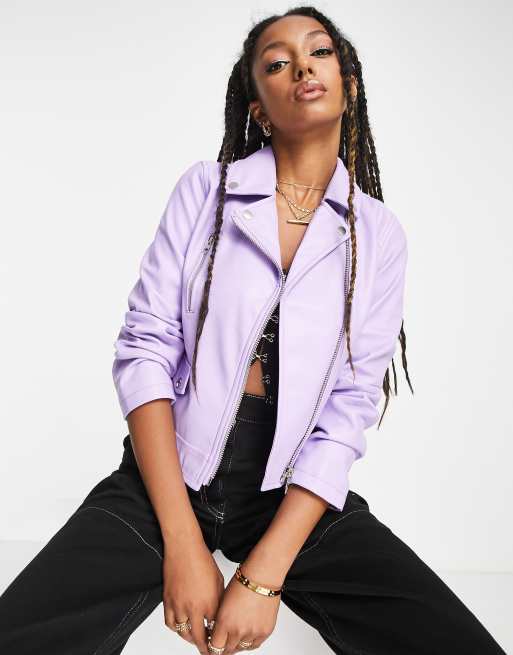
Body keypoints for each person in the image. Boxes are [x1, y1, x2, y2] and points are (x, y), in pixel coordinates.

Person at [0, 6, 507, 655]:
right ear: (259, 109)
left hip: (291, 491)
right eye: (276, 62)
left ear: (348, 85)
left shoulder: (377, 235)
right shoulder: (205, 192)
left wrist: (262, 576)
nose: (301, 67)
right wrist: (183, 544)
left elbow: (349, 405)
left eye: (318, 52)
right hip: (168, 477)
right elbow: (145, 351)